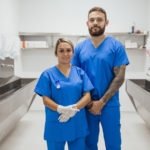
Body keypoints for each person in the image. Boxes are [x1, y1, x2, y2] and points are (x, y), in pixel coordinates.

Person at [71, 7, 129, 150]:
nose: (95, 22)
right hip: (87, 104)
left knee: (113, 144)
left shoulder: (116, 46)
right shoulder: (79, 48)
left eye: (99, 19)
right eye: (92, 20)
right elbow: (74, 77)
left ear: (106, 22)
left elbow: (119, 78)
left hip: (110, 105)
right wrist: (89, 101)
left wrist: (101, 102)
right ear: (87, 23)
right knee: (89, 144)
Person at [34, 38, 94, 150]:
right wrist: (61, 109)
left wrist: (73, 109)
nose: (65, 54)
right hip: (56, 122)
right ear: (56, 53)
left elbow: (87, 96)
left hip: (77, 122)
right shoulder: (47, 74)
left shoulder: (80, 73)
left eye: (68, 50)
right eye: (61, 51)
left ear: (73, 53)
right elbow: (45, 99)